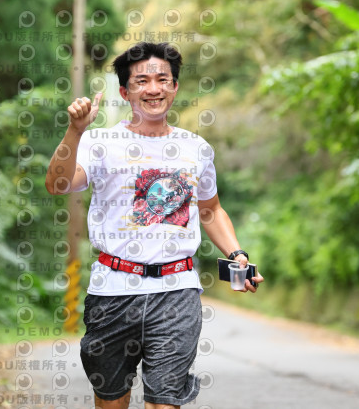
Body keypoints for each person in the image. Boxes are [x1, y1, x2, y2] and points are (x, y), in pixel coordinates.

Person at [45, 41, 264, 409]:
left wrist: (237, 254)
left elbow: (210, 209)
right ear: (124, 91)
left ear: (174, 88)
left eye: (163, 80)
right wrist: (75, 131)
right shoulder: (99, 142)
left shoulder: (196, 148)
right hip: (113, 291)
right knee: (111, 400)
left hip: (177, 291)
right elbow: (57, 184)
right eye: (142, 81)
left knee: (165, 400)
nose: (153, 89)